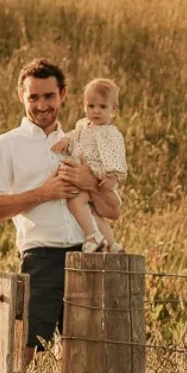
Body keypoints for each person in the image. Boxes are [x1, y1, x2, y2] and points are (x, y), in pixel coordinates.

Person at [0, 57, 122, 357]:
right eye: (34, 97)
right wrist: (43, 193)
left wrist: (90, 183)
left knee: (85, 354)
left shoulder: (83, 141)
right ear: (22, 97)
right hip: (41, 259)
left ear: (63, 94)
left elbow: (113, 210)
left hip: (88, 258)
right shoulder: (5, 145)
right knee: (23, 349)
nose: (42, 105)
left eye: (49, 96)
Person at [49, 77, 128, 253]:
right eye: (91, 106)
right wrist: (66, 140)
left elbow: (117, 156)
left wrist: (113, 177)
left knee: (75, 202)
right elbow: (74, 135)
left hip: (99, 176)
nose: (96, 111)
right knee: (94, 213)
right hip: (82, 173)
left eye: (102, 107)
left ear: (113, 110)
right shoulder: (83, 125)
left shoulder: (111, 133)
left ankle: (93, 236)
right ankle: (112, 244)